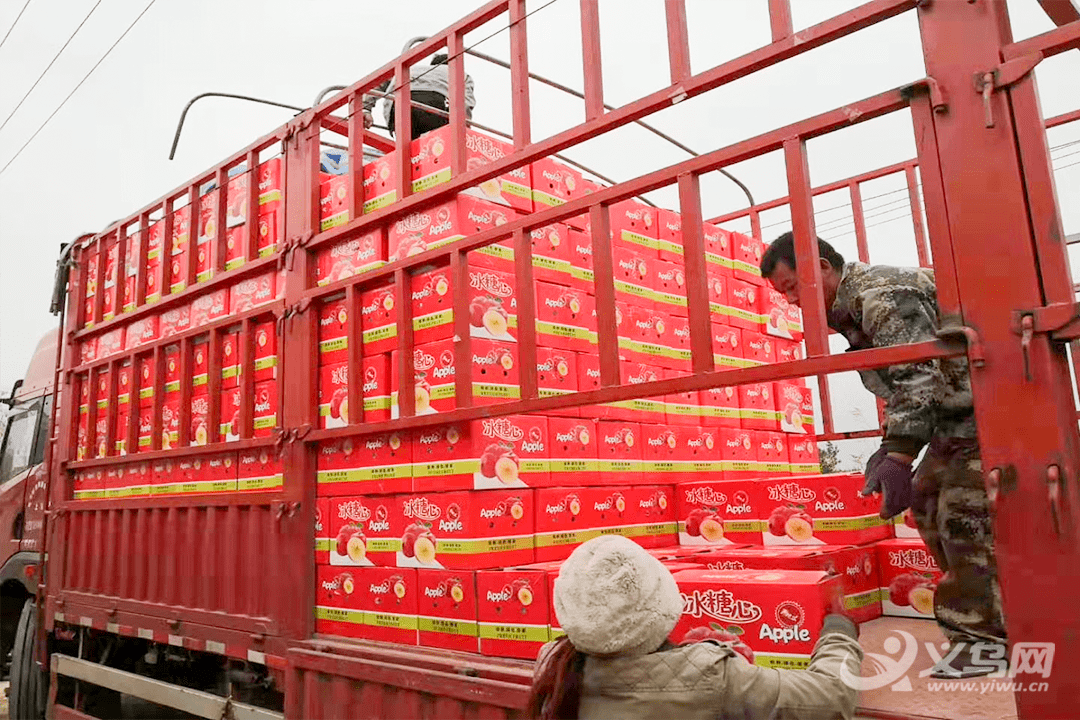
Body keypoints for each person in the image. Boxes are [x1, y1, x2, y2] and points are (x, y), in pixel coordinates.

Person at [760, 232, 1007, 679]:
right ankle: (986, 624)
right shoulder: (853, 312)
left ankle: (985, 639)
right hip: (959, 415)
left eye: (793, 288)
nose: (793, 303)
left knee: (960, 513)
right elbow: (903, 385)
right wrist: (889, 446)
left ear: (821, 267)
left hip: (995, 404)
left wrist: (899, 453)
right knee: (929, 501)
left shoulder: (881, 295)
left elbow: (917, 374)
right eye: (785, 295)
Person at [528, 535, 862, 720]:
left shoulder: (553, 666)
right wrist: (838, 631)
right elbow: (832, 698)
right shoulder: (712, 677)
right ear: (664, 602)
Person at [362, 53, 476, 140]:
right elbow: (465, 102)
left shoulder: (409, 69)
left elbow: (377, 84)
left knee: (409, 152)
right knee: (439, 145)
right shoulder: (459, 73)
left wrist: (365, 109)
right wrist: (465, 134)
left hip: (397, 109)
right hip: (433, 104)